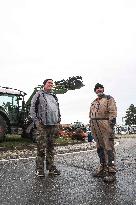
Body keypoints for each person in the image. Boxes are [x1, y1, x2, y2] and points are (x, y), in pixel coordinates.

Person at [30, 79, 61, 177]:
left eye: (52, 83)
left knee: (51, 148)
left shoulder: (54, 96)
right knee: (41, 148)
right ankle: (39, 170)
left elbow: (57, 109)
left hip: (53, 125)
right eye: (49, 83)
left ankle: (51, 168)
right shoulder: (38, 94)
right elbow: (32, 108)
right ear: (44, 85)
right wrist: (37, 122)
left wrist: (59, 119)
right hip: (43, 125)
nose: (51, 84)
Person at [89, 83, 117, 182]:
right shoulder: (94, 102)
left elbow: (113, 112)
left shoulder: (109, 98)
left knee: (108, 148)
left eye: (101, 88)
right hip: (95, 126)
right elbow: (90, 115)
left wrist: (110, 125)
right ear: (95, 91)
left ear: (103, 89)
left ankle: (111, 171)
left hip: (105, 125)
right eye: (97, 88)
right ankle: (102, 168)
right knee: (99, 148)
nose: (99, 90)